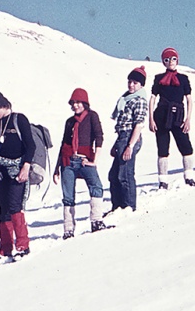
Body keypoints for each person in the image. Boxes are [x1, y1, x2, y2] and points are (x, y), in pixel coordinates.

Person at [0, 89, 34, 262]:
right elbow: (0, 150)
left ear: (0, 105)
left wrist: (26, 167)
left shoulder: (19, 119)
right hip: (2, 172)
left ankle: (22, 245)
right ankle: (5, 249)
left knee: (14, 206)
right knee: (3, 209)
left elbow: (30, 145)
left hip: (17, 170)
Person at [53, 88, 106, 238]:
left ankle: (96, 221)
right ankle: (68, 229)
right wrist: (57, 168)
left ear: (85, 103)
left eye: (78, 102)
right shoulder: (69, 122)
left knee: (96, 187)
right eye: (73, 103)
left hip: (85, 160)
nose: (75, 105)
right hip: (68, 161)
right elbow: (63, 143)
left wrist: (95, 160)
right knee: (68, 196)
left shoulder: (92, 116)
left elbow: (99, 136)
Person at [150, 48, 195, 187]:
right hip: (161, 117)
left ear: (177, 60)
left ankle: (189, 177)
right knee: (162, 149)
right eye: (167, 59)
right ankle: (163, 181)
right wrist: (151, 119)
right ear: (163, 62)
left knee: (186, 146)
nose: (170, 62)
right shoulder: (158, 78)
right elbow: (152, 98)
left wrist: (188, 119)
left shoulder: (183, 79)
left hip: (178, 117)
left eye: (173, 58)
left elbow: (189, 99)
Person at [108, 66, 148, 211]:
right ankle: (117, 206)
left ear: (141, 85)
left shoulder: (140, 100)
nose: (131, 85)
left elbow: (139, 124)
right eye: (130, 81)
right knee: (114, 175)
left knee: (125, 174)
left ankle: (129, 206)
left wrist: (129, 146)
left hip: (130, 137)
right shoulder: (125, 99)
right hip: (122, 137)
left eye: (135, 83)